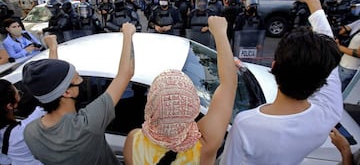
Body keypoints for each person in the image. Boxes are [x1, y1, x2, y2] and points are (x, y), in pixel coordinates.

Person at [220, 0, 343, 165]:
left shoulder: (247, 125)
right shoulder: (329, 112)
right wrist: (312, 1)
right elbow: (328, 58)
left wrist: (312, 0)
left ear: (274, 65)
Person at [123, 16, 237, 165]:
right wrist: (220, 33)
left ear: (151, 105)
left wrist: (126, 36)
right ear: (192, 106)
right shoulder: (205, 145)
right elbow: (229, 84)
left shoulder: (133, 141)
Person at [22, 22, 136, 164]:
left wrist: (53, 48)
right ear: (67, 92)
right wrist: (128, 33)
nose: (81, 80)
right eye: (77, 78)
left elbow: (52, 83)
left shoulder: (30, 133)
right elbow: (126, 73)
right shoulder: (86, 125)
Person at [0, 35, 58, 165]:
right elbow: (51, 87)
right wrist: (53, 48)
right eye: (18, 92)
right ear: (10, 105)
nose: (20, 93)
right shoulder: (21, 132)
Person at [335, 19, 360, 92]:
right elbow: (344, 29)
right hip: (341, 63)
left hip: (350, 68)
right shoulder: (359, 21)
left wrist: (338, 47)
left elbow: (359, 53)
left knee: (337, 92)